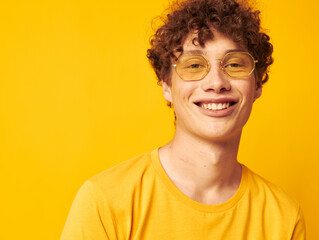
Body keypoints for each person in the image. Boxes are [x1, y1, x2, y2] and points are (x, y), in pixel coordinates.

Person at [61, 0, 306, 239]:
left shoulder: (283, 218)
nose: (216, 83)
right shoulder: (105, 202)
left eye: (233, 64)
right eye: (194, 65)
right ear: (166, 85)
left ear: (258, 84)